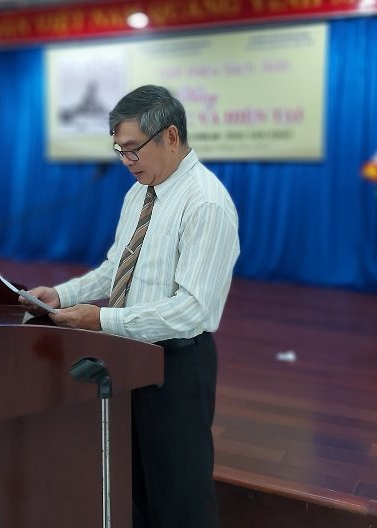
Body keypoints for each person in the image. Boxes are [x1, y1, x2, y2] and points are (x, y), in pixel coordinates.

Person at [20, 84, 239, 528]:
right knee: (133, 491)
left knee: (180, 500)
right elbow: (115, 268)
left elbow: (192, 310)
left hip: (176, 365)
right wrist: (62, 295)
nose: (126, 161)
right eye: (119, 150)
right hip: (127, 356)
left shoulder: (206, 204)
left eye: (133, 149)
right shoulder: (140, 192)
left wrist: (102, 319)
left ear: (171, 137)